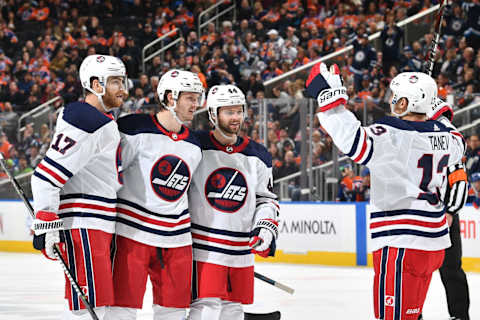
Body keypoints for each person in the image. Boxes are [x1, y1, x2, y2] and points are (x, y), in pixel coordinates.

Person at [305, 63, 465, 320]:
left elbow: (353, 141)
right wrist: (437, 111)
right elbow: (456, 138)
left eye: (396, 97)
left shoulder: (391, 134)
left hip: (401, 243)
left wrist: (330, 100)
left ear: (405, 102)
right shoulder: (448, 138)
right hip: (433, 244)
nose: (392, 100)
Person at [30, 54, 127, 319]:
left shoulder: (99, 120)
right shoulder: (86, 118)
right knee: (91, 308)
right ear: (96, 85)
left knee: (101, 306)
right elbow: (45, 176)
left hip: (99, 222)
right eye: (117, 81)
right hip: (86, 223)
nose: (124, 89)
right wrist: (47, 222)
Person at [109, 69, 204, 320]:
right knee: (122, 309)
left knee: (172, 312)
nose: (196, 105)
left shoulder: (194, 144)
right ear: (171, 98)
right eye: (190, 98)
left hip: (177, 240)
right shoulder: (132, 129)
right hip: (132, 234)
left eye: (197, 98)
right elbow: (109, 178)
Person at [188, 84, 280, 320]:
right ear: (213, 113)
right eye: (229, 112)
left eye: (239, 111)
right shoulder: (196, 145)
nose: (236, 117)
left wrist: (265, 226)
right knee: (205, 308)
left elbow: (266, 200)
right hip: (204, 247)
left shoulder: (258, 154)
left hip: (240, 250)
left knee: (234, 309)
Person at [421, 99, 470, 320]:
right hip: (419, 214)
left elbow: (459, 180)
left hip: (442, 215)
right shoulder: (417, 140)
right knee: (416, 271)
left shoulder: (448, 142)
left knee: (450, 270)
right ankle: (411, 312)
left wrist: (450, 211)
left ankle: (459, 315)